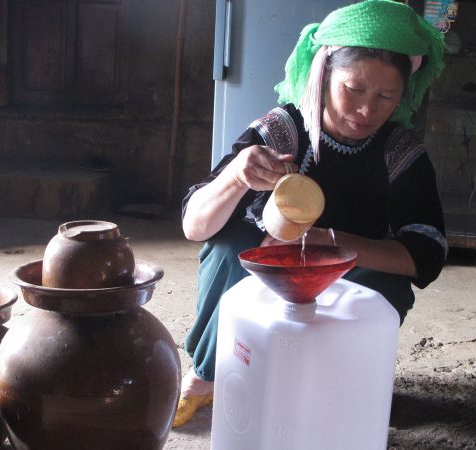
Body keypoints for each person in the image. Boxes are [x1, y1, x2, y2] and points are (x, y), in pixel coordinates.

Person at [173, 0, 448, 428]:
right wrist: (236, 178)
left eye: (385, 96)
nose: (365, 110)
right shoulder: (282, 130)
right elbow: (195, 227)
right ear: (323, 76)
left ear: (402, 95)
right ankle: (209, 376)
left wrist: (332, 243)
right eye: (353, 89)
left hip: (350, 269)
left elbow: (426, 255)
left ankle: (346, 383)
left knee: (385, 285)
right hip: (272, 265)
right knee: (230, 247)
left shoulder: (400, 152)